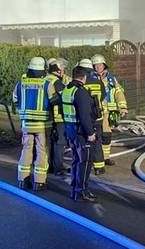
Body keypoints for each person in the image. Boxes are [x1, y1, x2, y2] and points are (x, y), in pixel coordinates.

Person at [13, 57, 57, 191]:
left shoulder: (21, 84)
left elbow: (15, 100)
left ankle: (23, 180)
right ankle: (39, 182)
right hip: (42, 125)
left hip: (26, 124)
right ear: (43, 70)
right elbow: (54, 101)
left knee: (26, 150)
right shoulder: (47, 84)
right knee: (41, 151)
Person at [62, 66, 98, 202]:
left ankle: (75, 189)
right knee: (85, 162)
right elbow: (84, 115)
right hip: (81, 132)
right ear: (84, 77)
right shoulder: (81, 92)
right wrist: (90, 133)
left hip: (70, 129)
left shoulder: (68, 89)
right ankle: (82, 191)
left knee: (76, 160)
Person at [91, 54, 127, 166]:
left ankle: (106, 157)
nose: (98, 67)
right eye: (96, 65)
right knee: (94, 135)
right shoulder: (90, 78)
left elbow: (118, 92)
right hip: (94, 112)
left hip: (108, 113)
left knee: (106, 135)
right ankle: (94, 158)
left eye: (100, 65)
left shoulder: (111, 79)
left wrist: (122, 107)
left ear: (104, 65)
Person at [78, 58, 107, 175]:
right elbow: (103, 96)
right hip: (97, 117)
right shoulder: (98, 82)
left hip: (84, 117)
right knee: (97, 142)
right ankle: (99, 167)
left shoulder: (80, 83)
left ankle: (86, 166)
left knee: (85, 143)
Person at [45, 58, 68, 176]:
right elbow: (65, 96)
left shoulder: (45, 79)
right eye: (63, 69)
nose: (64, 71)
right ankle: (58, 167)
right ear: (59, 70)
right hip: (58, 117)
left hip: (47, 117)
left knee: (49, 142)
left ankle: (48, 165)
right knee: (60, 142)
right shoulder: (56, 81)